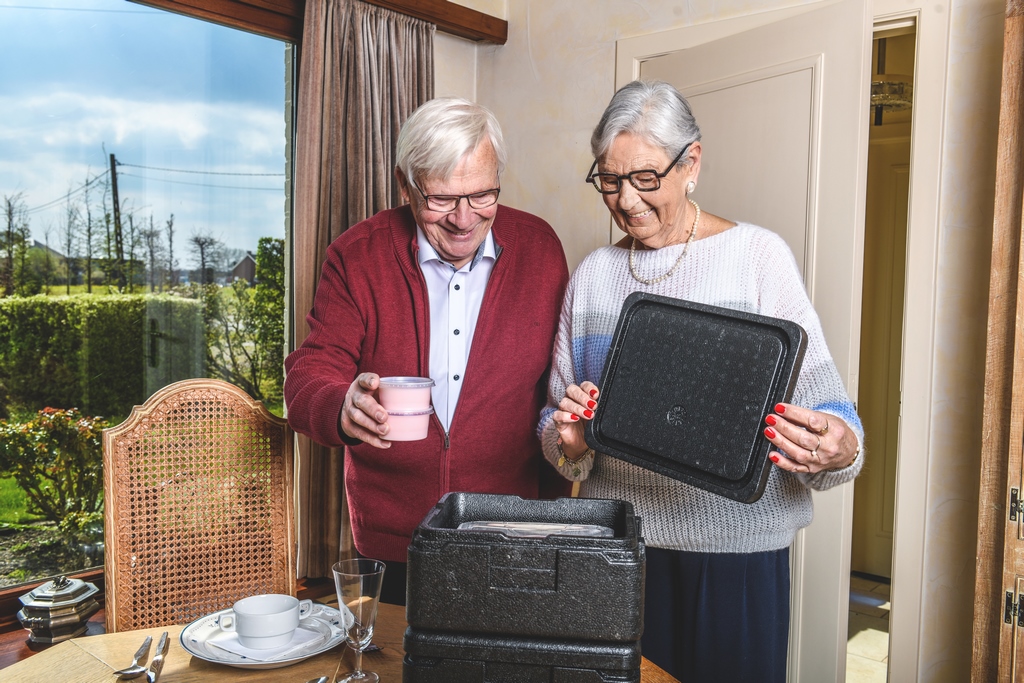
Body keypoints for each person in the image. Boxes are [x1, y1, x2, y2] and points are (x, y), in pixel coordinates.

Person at [538, 80, 864, 681]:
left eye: (644, 179)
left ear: (691, 163)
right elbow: (557, 429)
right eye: (609, 181)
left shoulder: (758, 259)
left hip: (740, 559)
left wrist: (837, 443)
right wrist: (571, 438)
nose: (626, 201)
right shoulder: (593, 277)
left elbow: (832, 412)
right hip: (621, 552)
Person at [285, 97, 570, 605]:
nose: (463, 219)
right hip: (395, 543)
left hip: (516, 534)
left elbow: (562, 386)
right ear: (405, 184)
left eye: (483, 195)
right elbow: (310, 372)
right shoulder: (357, 254)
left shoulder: (540, 249)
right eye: (441, 199)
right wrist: (340, 404)